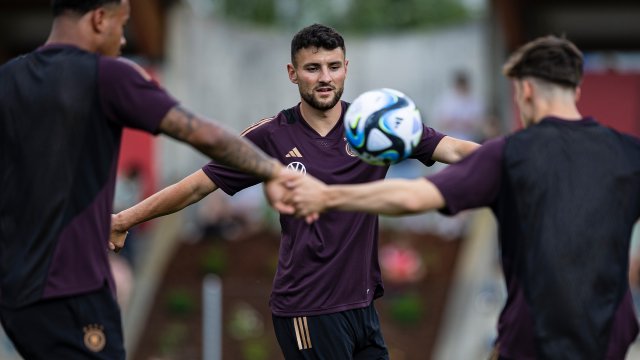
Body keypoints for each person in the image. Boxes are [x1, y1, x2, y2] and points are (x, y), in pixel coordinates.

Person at [110, 23, 478, 358]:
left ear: (346, 68)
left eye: (334, 66)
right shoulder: (272, 134)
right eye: (312, 68)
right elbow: (195, 188)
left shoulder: (373, 126)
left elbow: (456, 149)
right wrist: (125, 219)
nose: (325, 77)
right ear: (292, 73)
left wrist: (514, 162)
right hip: (308, 309)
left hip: (363, 306)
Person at [287, 35, 640, 359]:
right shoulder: (628, 153)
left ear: (526, 90)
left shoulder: (510, 154)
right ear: (576, 91)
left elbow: (412, 197)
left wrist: (327, 195)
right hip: (610, 335)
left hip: (534, 339)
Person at [0, 0, 294, 358]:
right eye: (122, 26)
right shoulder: (107, 75)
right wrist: (274, 170)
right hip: (72, 291)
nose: (123, 41)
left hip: (16, 297)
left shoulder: (8, 78)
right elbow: (206, 136)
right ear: (98, 19)